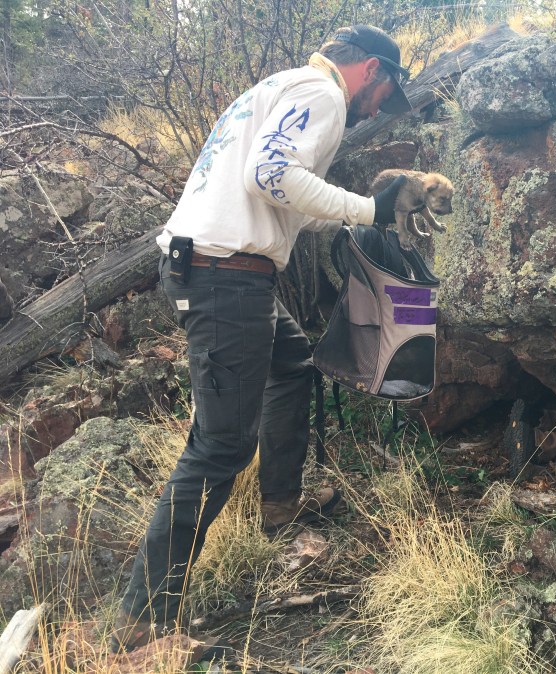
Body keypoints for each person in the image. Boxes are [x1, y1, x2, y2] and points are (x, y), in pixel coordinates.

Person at [111, 24, 413, 652]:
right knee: (222, 446)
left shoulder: (278, 86)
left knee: (291, 364)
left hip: (223, 269)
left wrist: (353, 213)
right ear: (371, 72)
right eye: (386, 92)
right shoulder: (324, 94)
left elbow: (278, 194)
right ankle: (141, 621)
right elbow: (270, 175)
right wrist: (372, 211)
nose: (380, 107)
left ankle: (279, 501)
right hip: (227, 276)